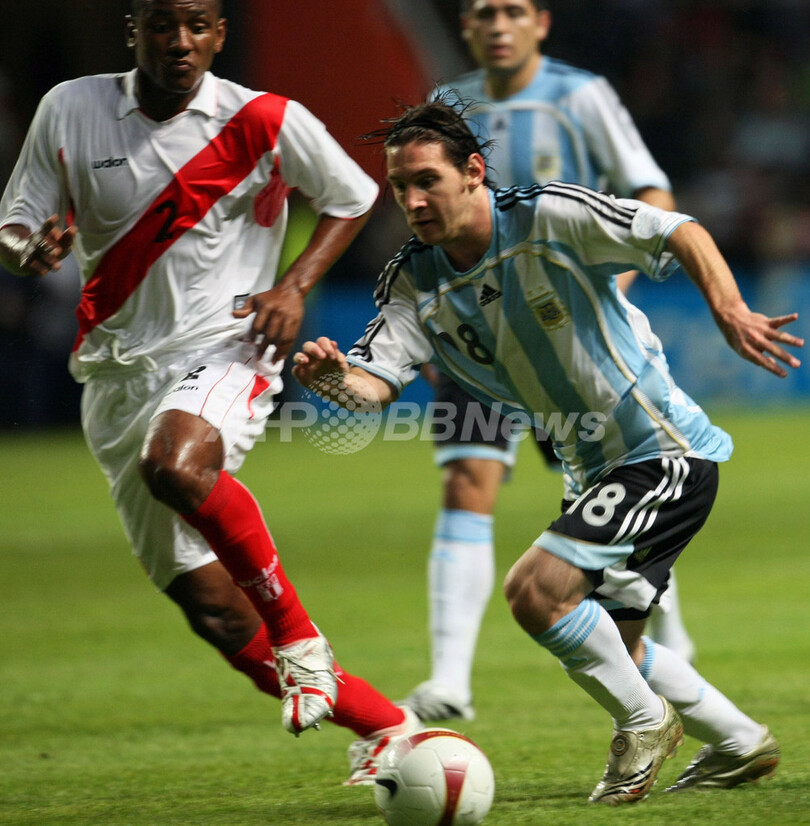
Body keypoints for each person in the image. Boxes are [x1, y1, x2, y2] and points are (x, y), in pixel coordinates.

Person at [292, 100, 801, 804]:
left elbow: (677, 228)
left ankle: (644, 723)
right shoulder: (412, 280)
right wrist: (331, 381)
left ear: (473, 172)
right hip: (589, 469)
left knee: (536, 592)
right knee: (615, 643)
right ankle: (741, 742)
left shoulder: (548, 217)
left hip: (660, 449)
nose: (412, 201)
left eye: (427, 181)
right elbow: (372, 387)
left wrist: (729, 309)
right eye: (400, 186)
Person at [0, 0, 421, 786]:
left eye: (198, 25)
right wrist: (27, 249)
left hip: (229, 346)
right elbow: (16, 221)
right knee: (217, 612)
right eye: (164, 25)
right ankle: (391, 728)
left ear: (220, 35)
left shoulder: (262, 118)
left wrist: (294, 285)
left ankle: (300, 641)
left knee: (177, 464)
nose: (181, 41)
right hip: (115, 375)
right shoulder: (71, 107)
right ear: (136, 30)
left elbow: (352, 193)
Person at [401, 0, 694, 724]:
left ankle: (671, 637)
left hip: (568, 332)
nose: (497, 25)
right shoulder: (447, 104)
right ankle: (450, 680)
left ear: (541, 22)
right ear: (466, 27)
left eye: (512, 11)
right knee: (466, 479)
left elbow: (651, 189)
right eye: (482, 13)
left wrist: (611, 287)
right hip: (478, 329)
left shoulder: (579, 95)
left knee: (620, 482)